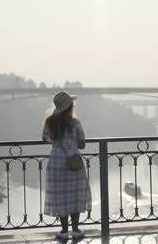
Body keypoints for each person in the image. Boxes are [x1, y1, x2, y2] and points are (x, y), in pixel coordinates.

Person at [42, 92, 92, 240]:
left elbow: (45, 138)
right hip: (73, 163)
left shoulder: (50, 121)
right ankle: (75, 230)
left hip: (56, 162)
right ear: (70, 106)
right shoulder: (74, 122)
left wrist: (57, 141)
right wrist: (72, 143)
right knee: (74, 195)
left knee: (61, 196)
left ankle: (63, 231)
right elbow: (82, 144)